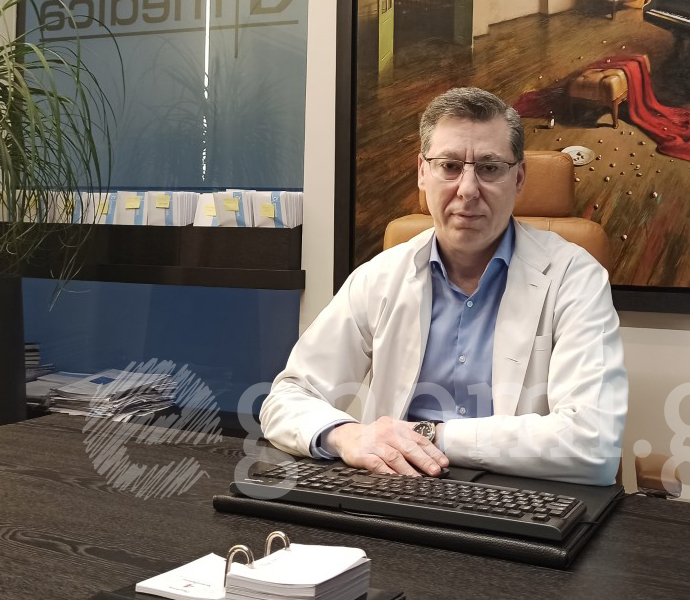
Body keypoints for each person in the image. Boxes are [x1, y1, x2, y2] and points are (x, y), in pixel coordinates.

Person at [260, 87, 628, 486]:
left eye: (489, 168)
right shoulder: (380, 276)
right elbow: (287, 397)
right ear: (422, 172)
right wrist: (347, 435)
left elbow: (593, 444)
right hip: (397, 489)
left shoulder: (574, 277)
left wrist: (427, 435)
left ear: (519, 177)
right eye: (449, 166)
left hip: (519, 497)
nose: (467, 189)